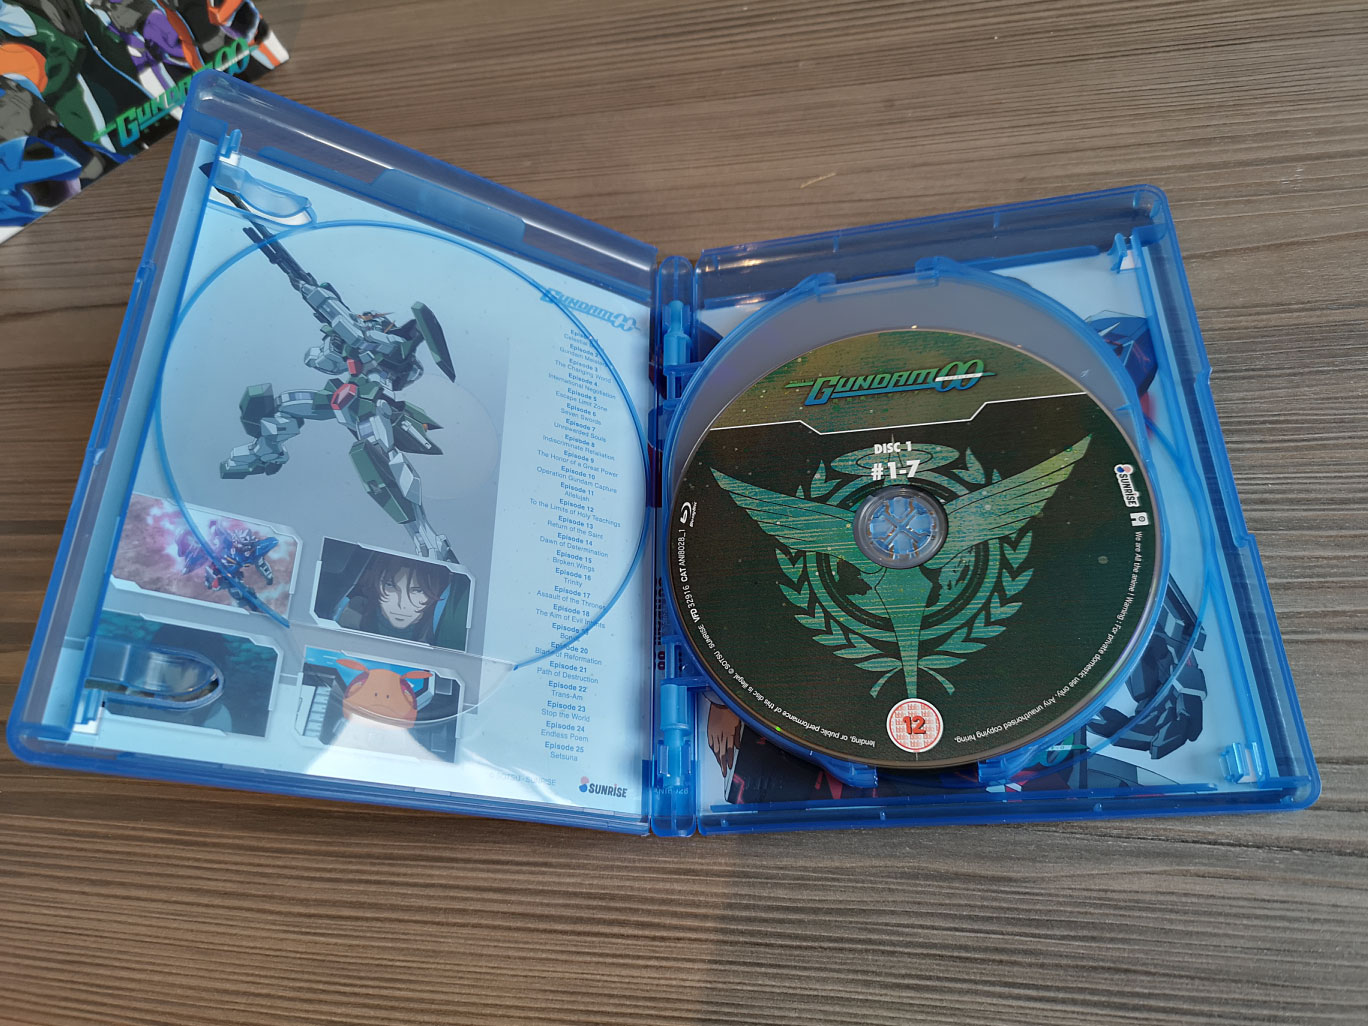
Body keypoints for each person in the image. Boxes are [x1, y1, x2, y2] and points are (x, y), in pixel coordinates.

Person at [333, 550, 469, 649]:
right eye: (390, 586)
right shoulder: (352, 614)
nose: (401, 604)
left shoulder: (442, 630)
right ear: (376, 584)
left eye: (418, 591)